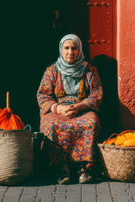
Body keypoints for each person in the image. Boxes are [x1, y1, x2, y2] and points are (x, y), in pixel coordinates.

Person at [37, 34, 103, 184]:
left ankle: (83, 168)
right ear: (61, 50)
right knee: (50, 124)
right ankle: (62, 167)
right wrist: (58, 108)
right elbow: (42, 95)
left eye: (74, 48)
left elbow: (97, 94)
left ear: (79, 50)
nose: (70, 52)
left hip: (82, 109)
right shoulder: (52, 70)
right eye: (66, 48)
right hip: (58, 110)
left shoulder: (89, 70)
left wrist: (79, 107)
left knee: (90, 122)